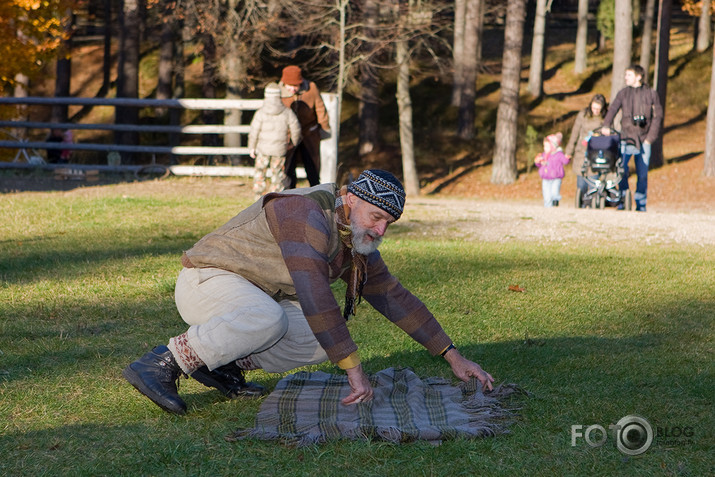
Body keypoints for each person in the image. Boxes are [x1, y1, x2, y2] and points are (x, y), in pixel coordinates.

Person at [122, 169, 495, 415]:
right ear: (351, 199)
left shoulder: (353, 236)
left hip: (249, 296)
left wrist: (452, 356)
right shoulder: (304, 212)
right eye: (377, 218)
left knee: (320, 341)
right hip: (206, 280)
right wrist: (354, 370)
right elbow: (315, 293)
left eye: (389, 224)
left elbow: (393, 297)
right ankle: (162, 362)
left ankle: (223, 364)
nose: (381, 231)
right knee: (273, 319)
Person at [601, 64, 663, 212]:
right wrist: (606, 125)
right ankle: (623, 200)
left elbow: (658, 116)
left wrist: (650, 138)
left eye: (628, 75)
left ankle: (641, 204)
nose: (625, 78)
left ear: (638, 76)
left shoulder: (651, 94)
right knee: (621, 170)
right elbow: (613, 109)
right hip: (626, 138)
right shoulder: (623, 93)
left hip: (644, 140)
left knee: (642, 174)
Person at [279, 65, 330, 189]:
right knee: (289, 167)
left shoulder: (311, 89)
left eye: (295, 86)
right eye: (290, 86)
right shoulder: (278, 93)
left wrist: (324, 127)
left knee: (312, 166)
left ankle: (317, 193)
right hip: (289, 136)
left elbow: (320, 108)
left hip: (309, 134)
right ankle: (289, 195)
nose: (293, 89)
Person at [248, 82, 302, 199]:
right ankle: (274, 198)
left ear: (266, 96)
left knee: (259, 173)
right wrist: (294, 142)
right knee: (277, 174)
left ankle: (258, 197)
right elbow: (296, 128)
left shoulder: (260, 113)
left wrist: (252, 147)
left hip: (263, 149)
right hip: (279, 150)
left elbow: (254, 131)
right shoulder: (287, 112)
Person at [565, 94, 607, 206]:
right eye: (594, 108)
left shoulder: (605, 118)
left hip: (597, 152)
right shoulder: (583, 115)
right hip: (582, 152)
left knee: (594, 181)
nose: (596, 111)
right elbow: (575, 133)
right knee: (582, 184)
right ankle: (582, 204)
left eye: (598, 109)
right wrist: (569, 151)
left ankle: (594, 203)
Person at [535, 132, 570, 208]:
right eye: (544, 146)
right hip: (546, 178)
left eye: (547, 147)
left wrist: (567, 158)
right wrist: (538, 162)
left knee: (554, 193)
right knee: (546, 195)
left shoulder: (559, 154)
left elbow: (565, 161)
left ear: (553, 146)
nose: (545, 148)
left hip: (556, 178)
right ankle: (548, 208)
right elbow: (539, 164)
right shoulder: (544, 155)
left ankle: (555, 200)